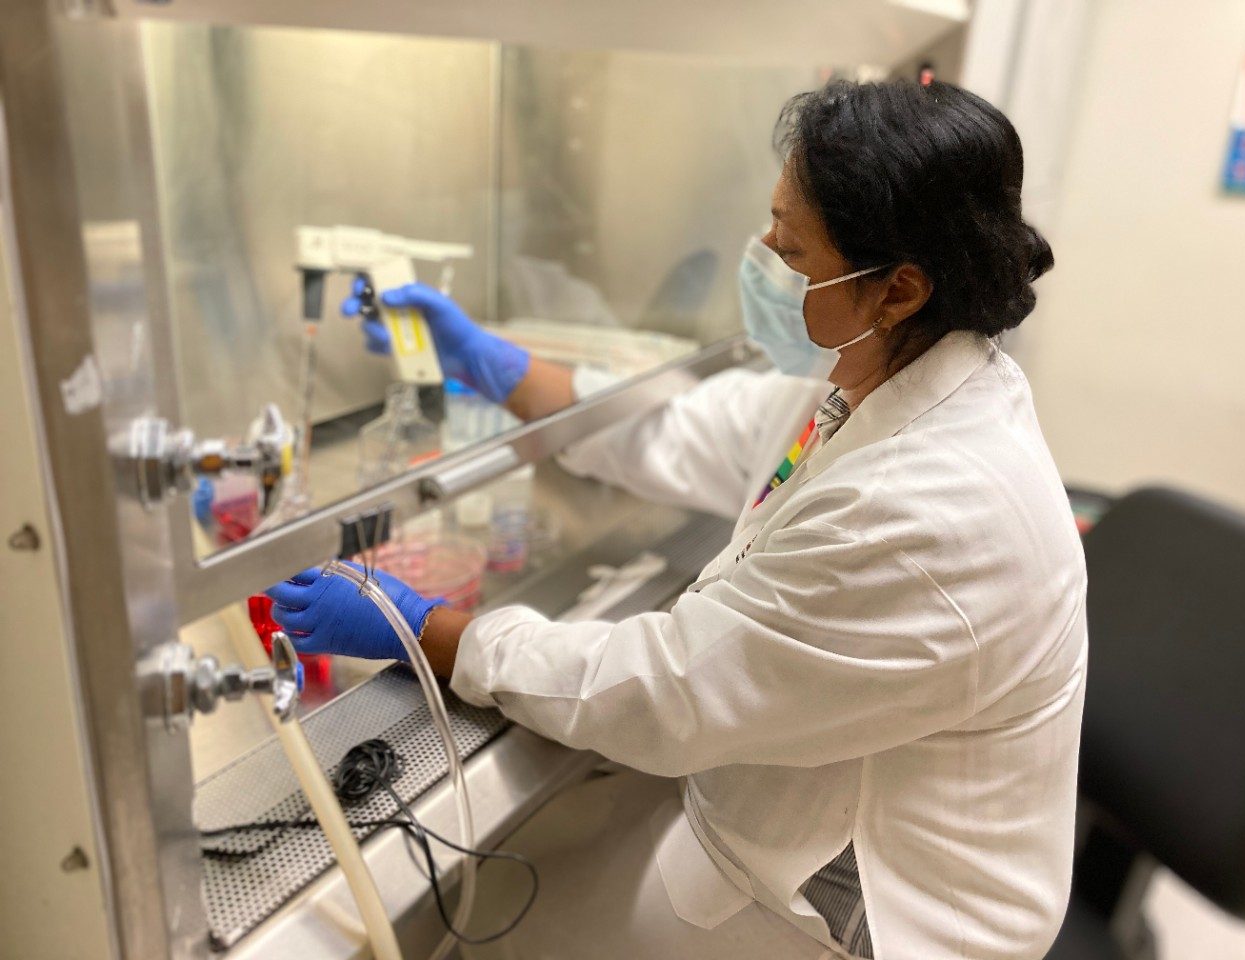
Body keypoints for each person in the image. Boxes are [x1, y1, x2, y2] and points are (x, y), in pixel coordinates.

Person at [267, 79, 1086, 960]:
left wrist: (428, 627)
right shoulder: (890, 377)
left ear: (898, 290)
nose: (766, 254)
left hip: (857, 918)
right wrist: (481, 358)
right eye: (772, 224)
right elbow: (661, 431)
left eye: (795, 250)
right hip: (779, 823)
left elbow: (667, 691)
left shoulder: (927, 510)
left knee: (477, 932)